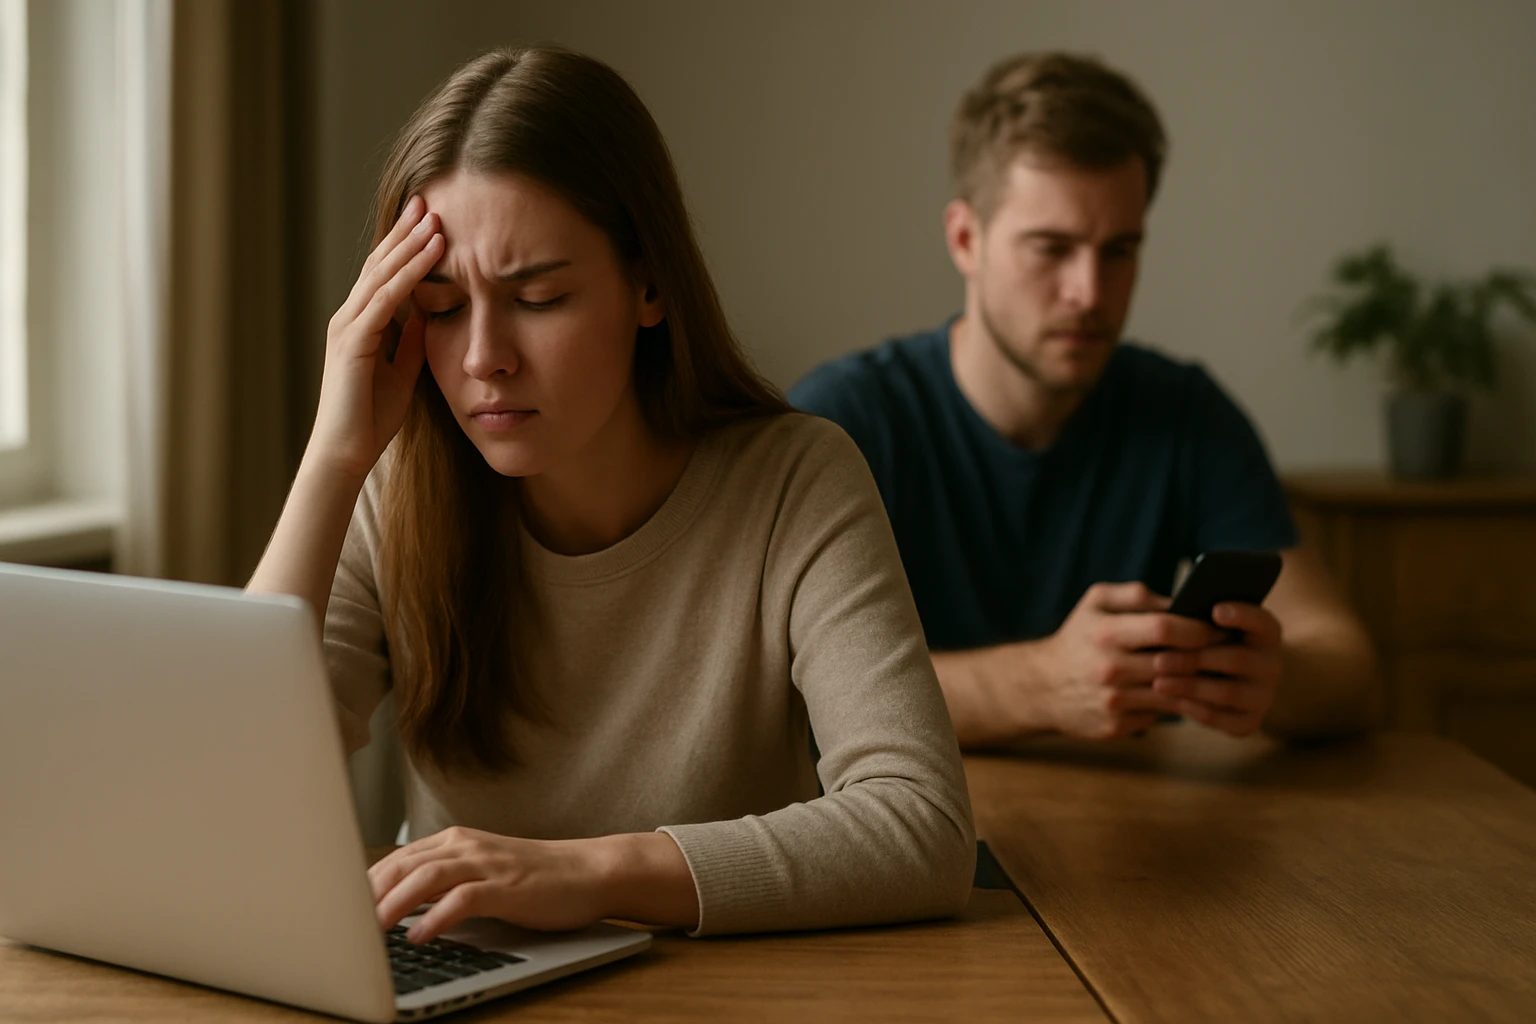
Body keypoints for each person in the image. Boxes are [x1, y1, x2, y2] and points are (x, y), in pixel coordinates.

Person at [247, 45, 973, 944]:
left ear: (650, 284)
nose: (482, 358)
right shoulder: (395, 485)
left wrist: (580, 873)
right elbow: (234, 791)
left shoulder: (797, 481)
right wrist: (332, 457)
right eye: (439, 306)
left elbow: (922, 829)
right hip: (461, 986)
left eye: (539, 297)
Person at [790, 52, 1378, 748]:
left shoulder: (1185, 414)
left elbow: (1350, 670)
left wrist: (1268, 680)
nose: (1090, 293)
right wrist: (1034, 686)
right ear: (964, 239)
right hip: (907, 836)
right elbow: (772, 694)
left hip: (1136, 832)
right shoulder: (848, 420)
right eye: (1052, 248)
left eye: (1119, 251)